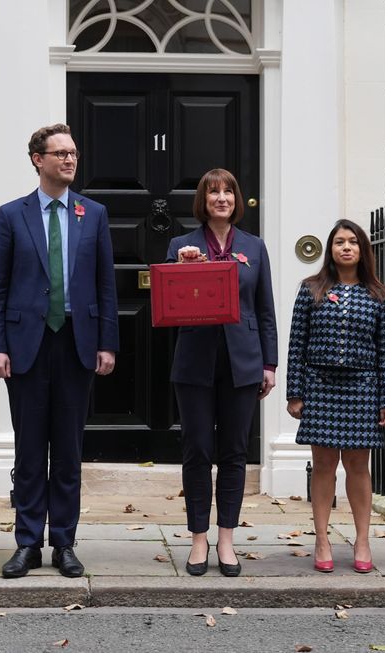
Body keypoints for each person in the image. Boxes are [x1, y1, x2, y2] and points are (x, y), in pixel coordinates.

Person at [0, 123, 119, 579]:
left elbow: (106, 284)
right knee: (28, 450)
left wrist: (107, 342)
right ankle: (27, 543)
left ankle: (64, 541)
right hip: (26, 346)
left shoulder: (93, 214)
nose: (69, 160)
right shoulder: (11, 215)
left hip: (77, 345)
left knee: (67, 449)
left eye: (73, 153)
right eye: (59, 153)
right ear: (37, 160)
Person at [166, 168, 278, 577]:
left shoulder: (254, 246)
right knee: (197, 452)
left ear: (237, 199)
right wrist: (180, 269)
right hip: (194, 362)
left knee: (234, 454)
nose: (221, 198)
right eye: (213, 191)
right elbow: (168, 304)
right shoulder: (181, 245)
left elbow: (265, 310)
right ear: (203, 200)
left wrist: (269, 363)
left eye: (228, 191)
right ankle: (198, 540)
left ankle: (227, 540)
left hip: (243, 363)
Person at [286, 219, 385, 574]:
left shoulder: (378, 296)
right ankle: (321, 538)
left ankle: (362, 539)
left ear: (362, 250)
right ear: (330, 250)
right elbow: (296, 345)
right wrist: (295, 393)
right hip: (320, 387)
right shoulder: (311, 290)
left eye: (352, 242)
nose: (345, 247)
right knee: (323, 466)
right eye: (339, 242)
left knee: (357, 466)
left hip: (362, 389)